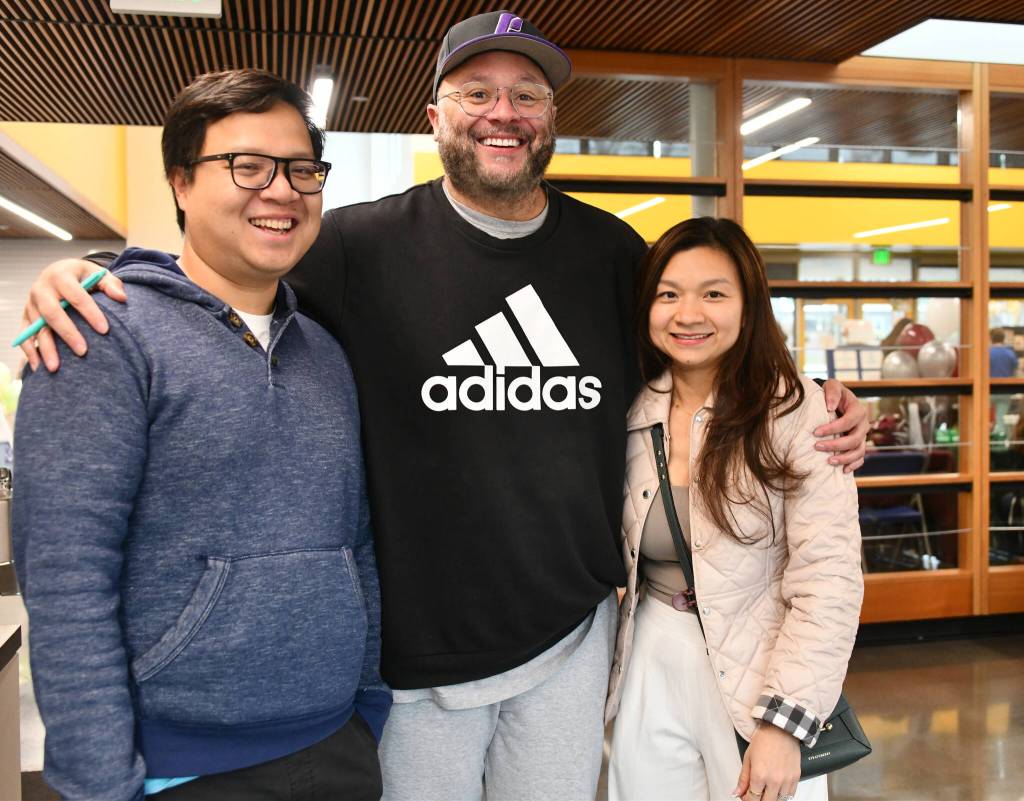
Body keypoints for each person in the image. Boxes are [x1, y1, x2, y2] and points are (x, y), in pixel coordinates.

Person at [15, 12, 869, 800]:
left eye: (527, 94)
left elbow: (704, 344)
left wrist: (817, 401)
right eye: (477, 93)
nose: (504, 112)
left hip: (571, 639)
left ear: (551, 118)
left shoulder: (611, 252)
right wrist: (103, 274)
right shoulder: (352, 245)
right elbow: (231, 271)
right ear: (434, 117)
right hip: (411, 662)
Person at [12, 69, 389, 801]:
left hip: (336, 745)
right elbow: (65, 579)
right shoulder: (101, 335)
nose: (281, 191)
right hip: (177, 765)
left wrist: (368, 701)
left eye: (302, 169)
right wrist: (97, 782)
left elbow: (358, 539)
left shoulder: (325, 352)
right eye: (247, 166)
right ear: (181, 182)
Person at [605, 217, 863, 801]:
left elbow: (829, 579)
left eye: (714, 294)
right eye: (668, 295)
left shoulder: (798, 414)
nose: (688, 314)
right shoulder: (628, 409)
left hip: (759, 668)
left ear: (749, 307)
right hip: (651, 652)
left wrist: (785, 723)